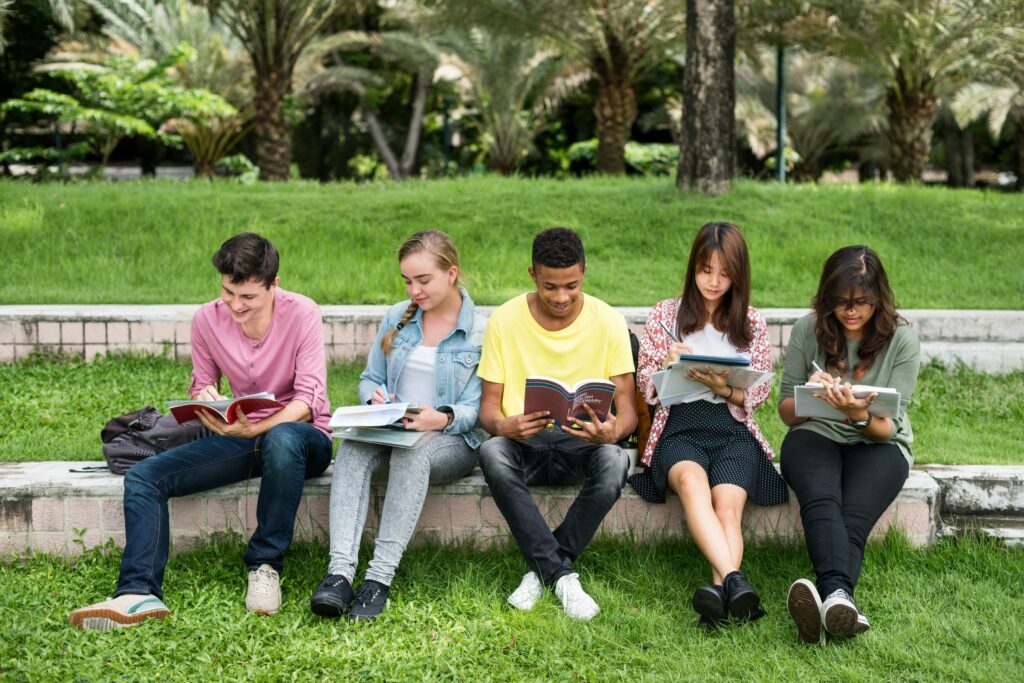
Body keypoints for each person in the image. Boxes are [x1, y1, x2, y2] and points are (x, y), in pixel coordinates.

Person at [69, 232, 333, 630]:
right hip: (244, 436)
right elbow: (201, 383)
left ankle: (264, 566)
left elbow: (308, 400)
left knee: (282, 438)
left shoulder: (303, 313)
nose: (236, 305)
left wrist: (259, 426)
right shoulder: (207, 319)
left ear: (273, 285)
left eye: (248, 297)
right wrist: (210, 402)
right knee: (144, 477)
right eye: (229, 292)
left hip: (304, 438)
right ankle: (137, 593)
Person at [310, 230, 486, 622]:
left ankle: (378, 580)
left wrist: (440, 418)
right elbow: (369, 378)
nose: (414, 290)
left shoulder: (480, 331)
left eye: (423, 280)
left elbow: (478, 408)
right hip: (393, 429)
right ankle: (339, 575)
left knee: (415, 450)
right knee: (353, 447)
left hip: (450, 441)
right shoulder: (397, 316)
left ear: (451, 273)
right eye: (407, 280)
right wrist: (376, 398)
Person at [628, 222, 787, 630]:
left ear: (739, 273)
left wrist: (725, 387)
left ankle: (717, 595)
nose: (714, 282)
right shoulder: (666, 314)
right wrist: (665, 366)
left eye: (724, 272)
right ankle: (736, 581)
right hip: (680, 427)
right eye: (705, 270)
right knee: (694, 487)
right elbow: (645, 388)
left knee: (728, 508)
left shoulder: (751, 321)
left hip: (733, 429)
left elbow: (759, 391)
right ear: (692, 268)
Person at [476, 227, 637, 620]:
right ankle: (563, 575)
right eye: (550, 286)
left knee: (615, 461)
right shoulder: (505, 320)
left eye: (572, 285)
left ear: (585, 271)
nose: (561, 297)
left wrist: (612, 431)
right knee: (491, 451)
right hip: (525, 444)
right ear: (532, 274)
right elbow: (488, 412)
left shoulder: (608, 321)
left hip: (581, 443)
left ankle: (543, 571)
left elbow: (629, 411)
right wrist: (505, 426)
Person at [778, 245, 920, 644]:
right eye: (840, 303)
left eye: (861, 303)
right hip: (815, 434)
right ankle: (840, 600)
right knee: (821, 499)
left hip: (878, 444)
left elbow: (886, 428)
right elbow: (787, 412)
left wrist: (857, 413)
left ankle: (831, 599)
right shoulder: (809, 329)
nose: (851, 311)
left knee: (853, 521)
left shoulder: (902, 340)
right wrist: (810, 395)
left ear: (879, 298)